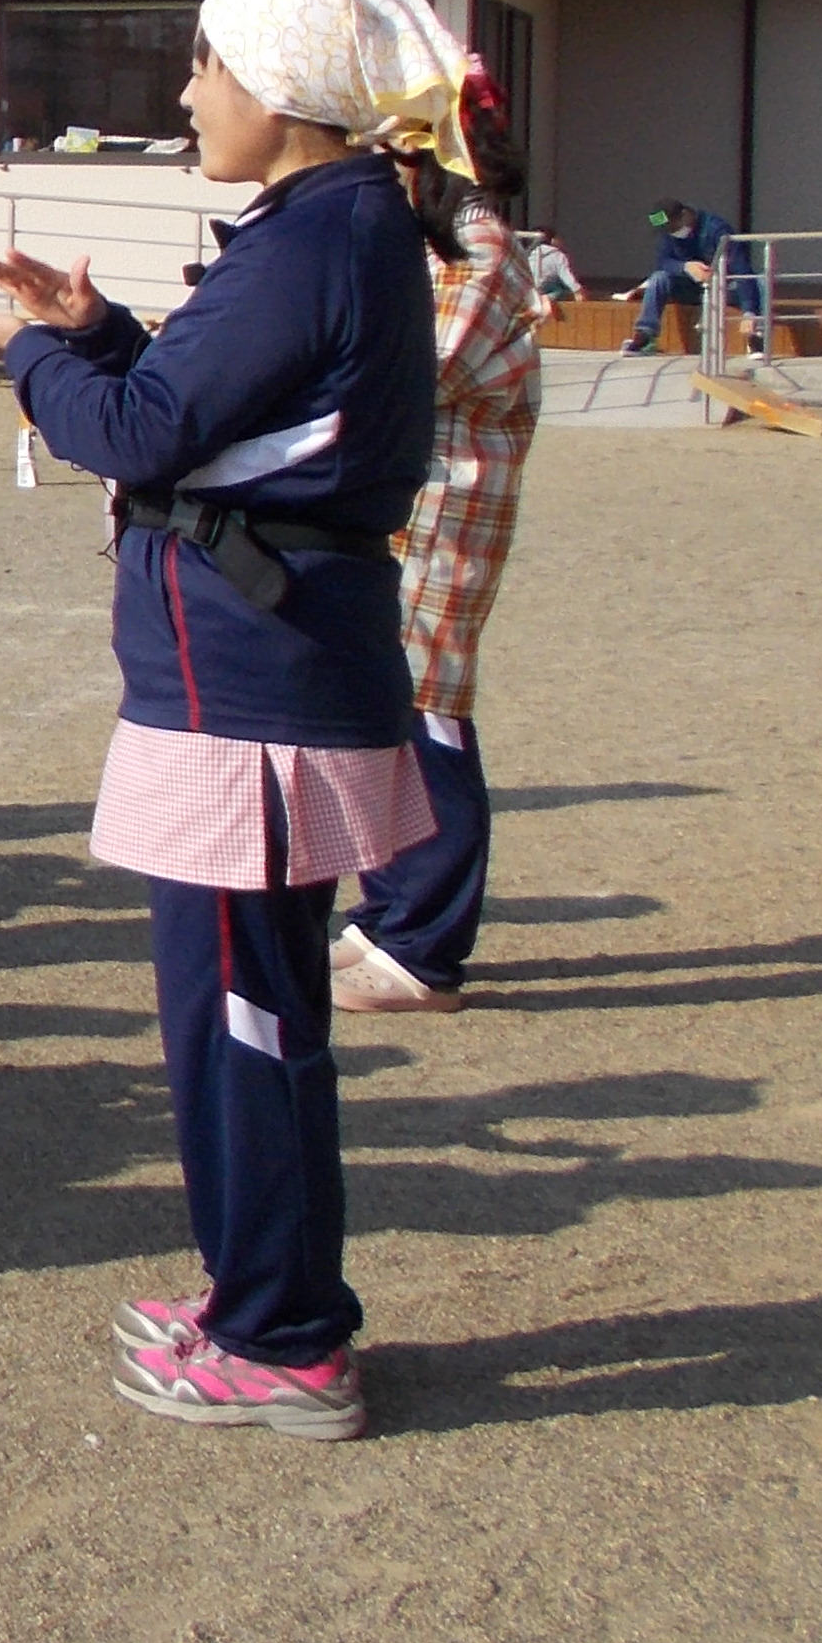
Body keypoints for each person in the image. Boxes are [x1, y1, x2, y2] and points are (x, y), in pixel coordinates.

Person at [0, 0, 449, 1446]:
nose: (187, 94)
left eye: (207, 65)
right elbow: (210, 406)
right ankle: (254, 1297)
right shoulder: (333, 226)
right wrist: (89, 335)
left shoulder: (314, 237)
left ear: (281, 87)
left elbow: (144, 436)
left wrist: (42, 357)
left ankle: (282, 1337)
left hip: (250, 689)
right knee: (244, 1009)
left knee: (243, 1020)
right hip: (259, 672)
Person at [341, 91, 542, 1012]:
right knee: (388, 712)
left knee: (432, 718)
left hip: (444, 523)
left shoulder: (480, 254)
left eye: (390, 162)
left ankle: (426, 945)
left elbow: (414, 372)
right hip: (405, 518)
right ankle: (389, 910)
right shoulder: (440, 251)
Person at [616, 200, 735, 357]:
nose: (670, 233)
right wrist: (684, 267)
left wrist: (748, 310)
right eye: (666, 230)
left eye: (672, 227)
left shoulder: (716, 228)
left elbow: (739, 265)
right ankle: (645, 334)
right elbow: (663, 262)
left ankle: (757, 334)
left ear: (684, 215)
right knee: (658, 279)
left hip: (720, 287)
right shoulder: (668, 234)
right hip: (688, 287)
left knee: (757, 284)